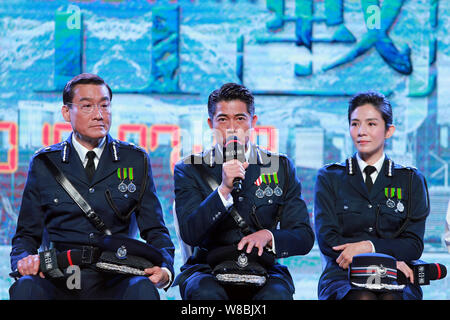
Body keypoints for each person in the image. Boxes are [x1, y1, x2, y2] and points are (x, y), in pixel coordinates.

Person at [9, 73, 175, 300]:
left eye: (105, 106)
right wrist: (24, 260)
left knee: (142, 290)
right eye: (87, 106)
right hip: (60, 277)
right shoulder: (45, 163)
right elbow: (26, 235)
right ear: (67, 112)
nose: (99, 115)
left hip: (116, 276)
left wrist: (165, 268)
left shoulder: (135, 160)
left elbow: (156, 230)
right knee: (26, 288)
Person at [173, 82, 314, 300]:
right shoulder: (190, 169)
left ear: (253, 122)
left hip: (263, 269)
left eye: (240, 118)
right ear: (211, 124)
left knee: (276, 297)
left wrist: (269, 236)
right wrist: (224, 189)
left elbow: (303, 236)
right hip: (207, 269)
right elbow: (190, 234)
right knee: (206, 295)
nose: (231, 128)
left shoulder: (281, 167)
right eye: (222, 119)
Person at [314, 91, 430, 300]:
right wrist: (382, 259)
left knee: (392, 297)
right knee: (362, 297)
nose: (361, 132)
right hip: (343, 275)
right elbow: (328, 240)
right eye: (355, 124)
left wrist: (369, 248)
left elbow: (413, 244)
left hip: (397, 272)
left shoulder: (411, 179)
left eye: (371, 124)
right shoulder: (329, 176)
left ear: (388, 131)